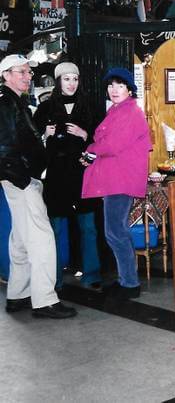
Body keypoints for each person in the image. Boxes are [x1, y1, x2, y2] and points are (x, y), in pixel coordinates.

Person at [0, 54, 76, 318]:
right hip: (20, 180)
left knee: (20, 239)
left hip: (17, 179)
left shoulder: (12, 102)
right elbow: (3, 147)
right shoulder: (6, 103)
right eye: (20, 72)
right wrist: (24, 180)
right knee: (42, 238)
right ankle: (45, 300)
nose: (27, 76)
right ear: (6, 75)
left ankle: (18, 294)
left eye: (27, 72)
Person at [81, 67, 152, 300]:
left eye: (120, 85)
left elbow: (112, 144)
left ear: (130, 89)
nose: (114, 90)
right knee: (115, 231)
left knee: (115, 232)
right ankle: (126, 279)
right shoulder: (119, 110)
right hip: (116, 179)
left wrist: (90, 151)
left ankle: (130, 283)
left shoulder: (130, 112)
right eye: (111, 85)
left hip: (121, 180)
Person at [32, 62, 101, 289]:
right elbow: (31, 145)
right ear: (58, 81)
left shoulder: (89, 106)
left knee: (88, 226)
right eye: (66, 79)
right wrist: (44, 135)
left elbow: (102, 141)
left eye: (75, 79)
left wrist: (85, 135)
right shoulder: (45, 108)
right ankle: (55, 278)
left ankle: (92, 274)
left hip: (84, 172)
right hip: (57, 175)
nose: (71, 83)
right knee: (56, 228)